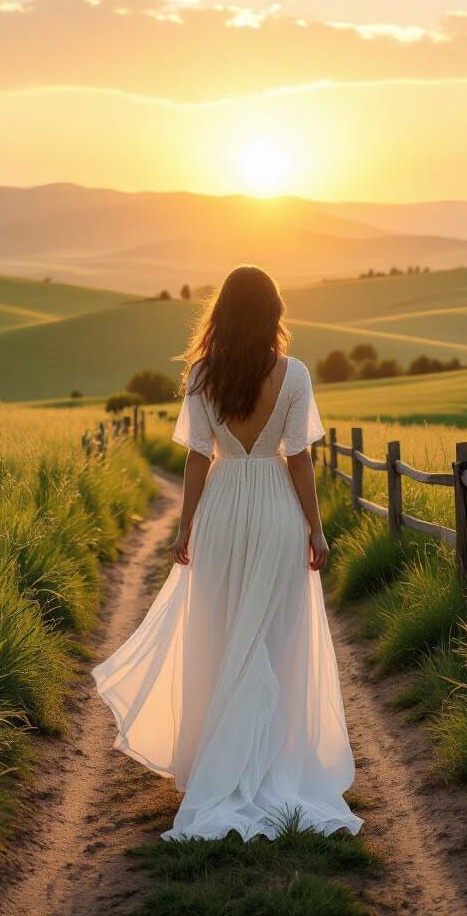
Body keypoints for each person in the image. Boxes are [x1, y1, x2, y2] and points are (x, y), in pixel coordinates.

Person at [93, 265, 360, 841]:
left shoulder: (201, 375)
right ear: (273, 315)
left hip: (220, 512)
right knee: (275, 639)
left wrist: (185, 528)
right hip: (275, 513)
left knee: (218, 635)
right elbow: (298, 460)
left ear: (222, 314)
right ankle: (270, 764)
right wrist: (315, 530)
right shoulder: (295, 375)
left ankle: (222, 766)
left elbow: (195, 459)